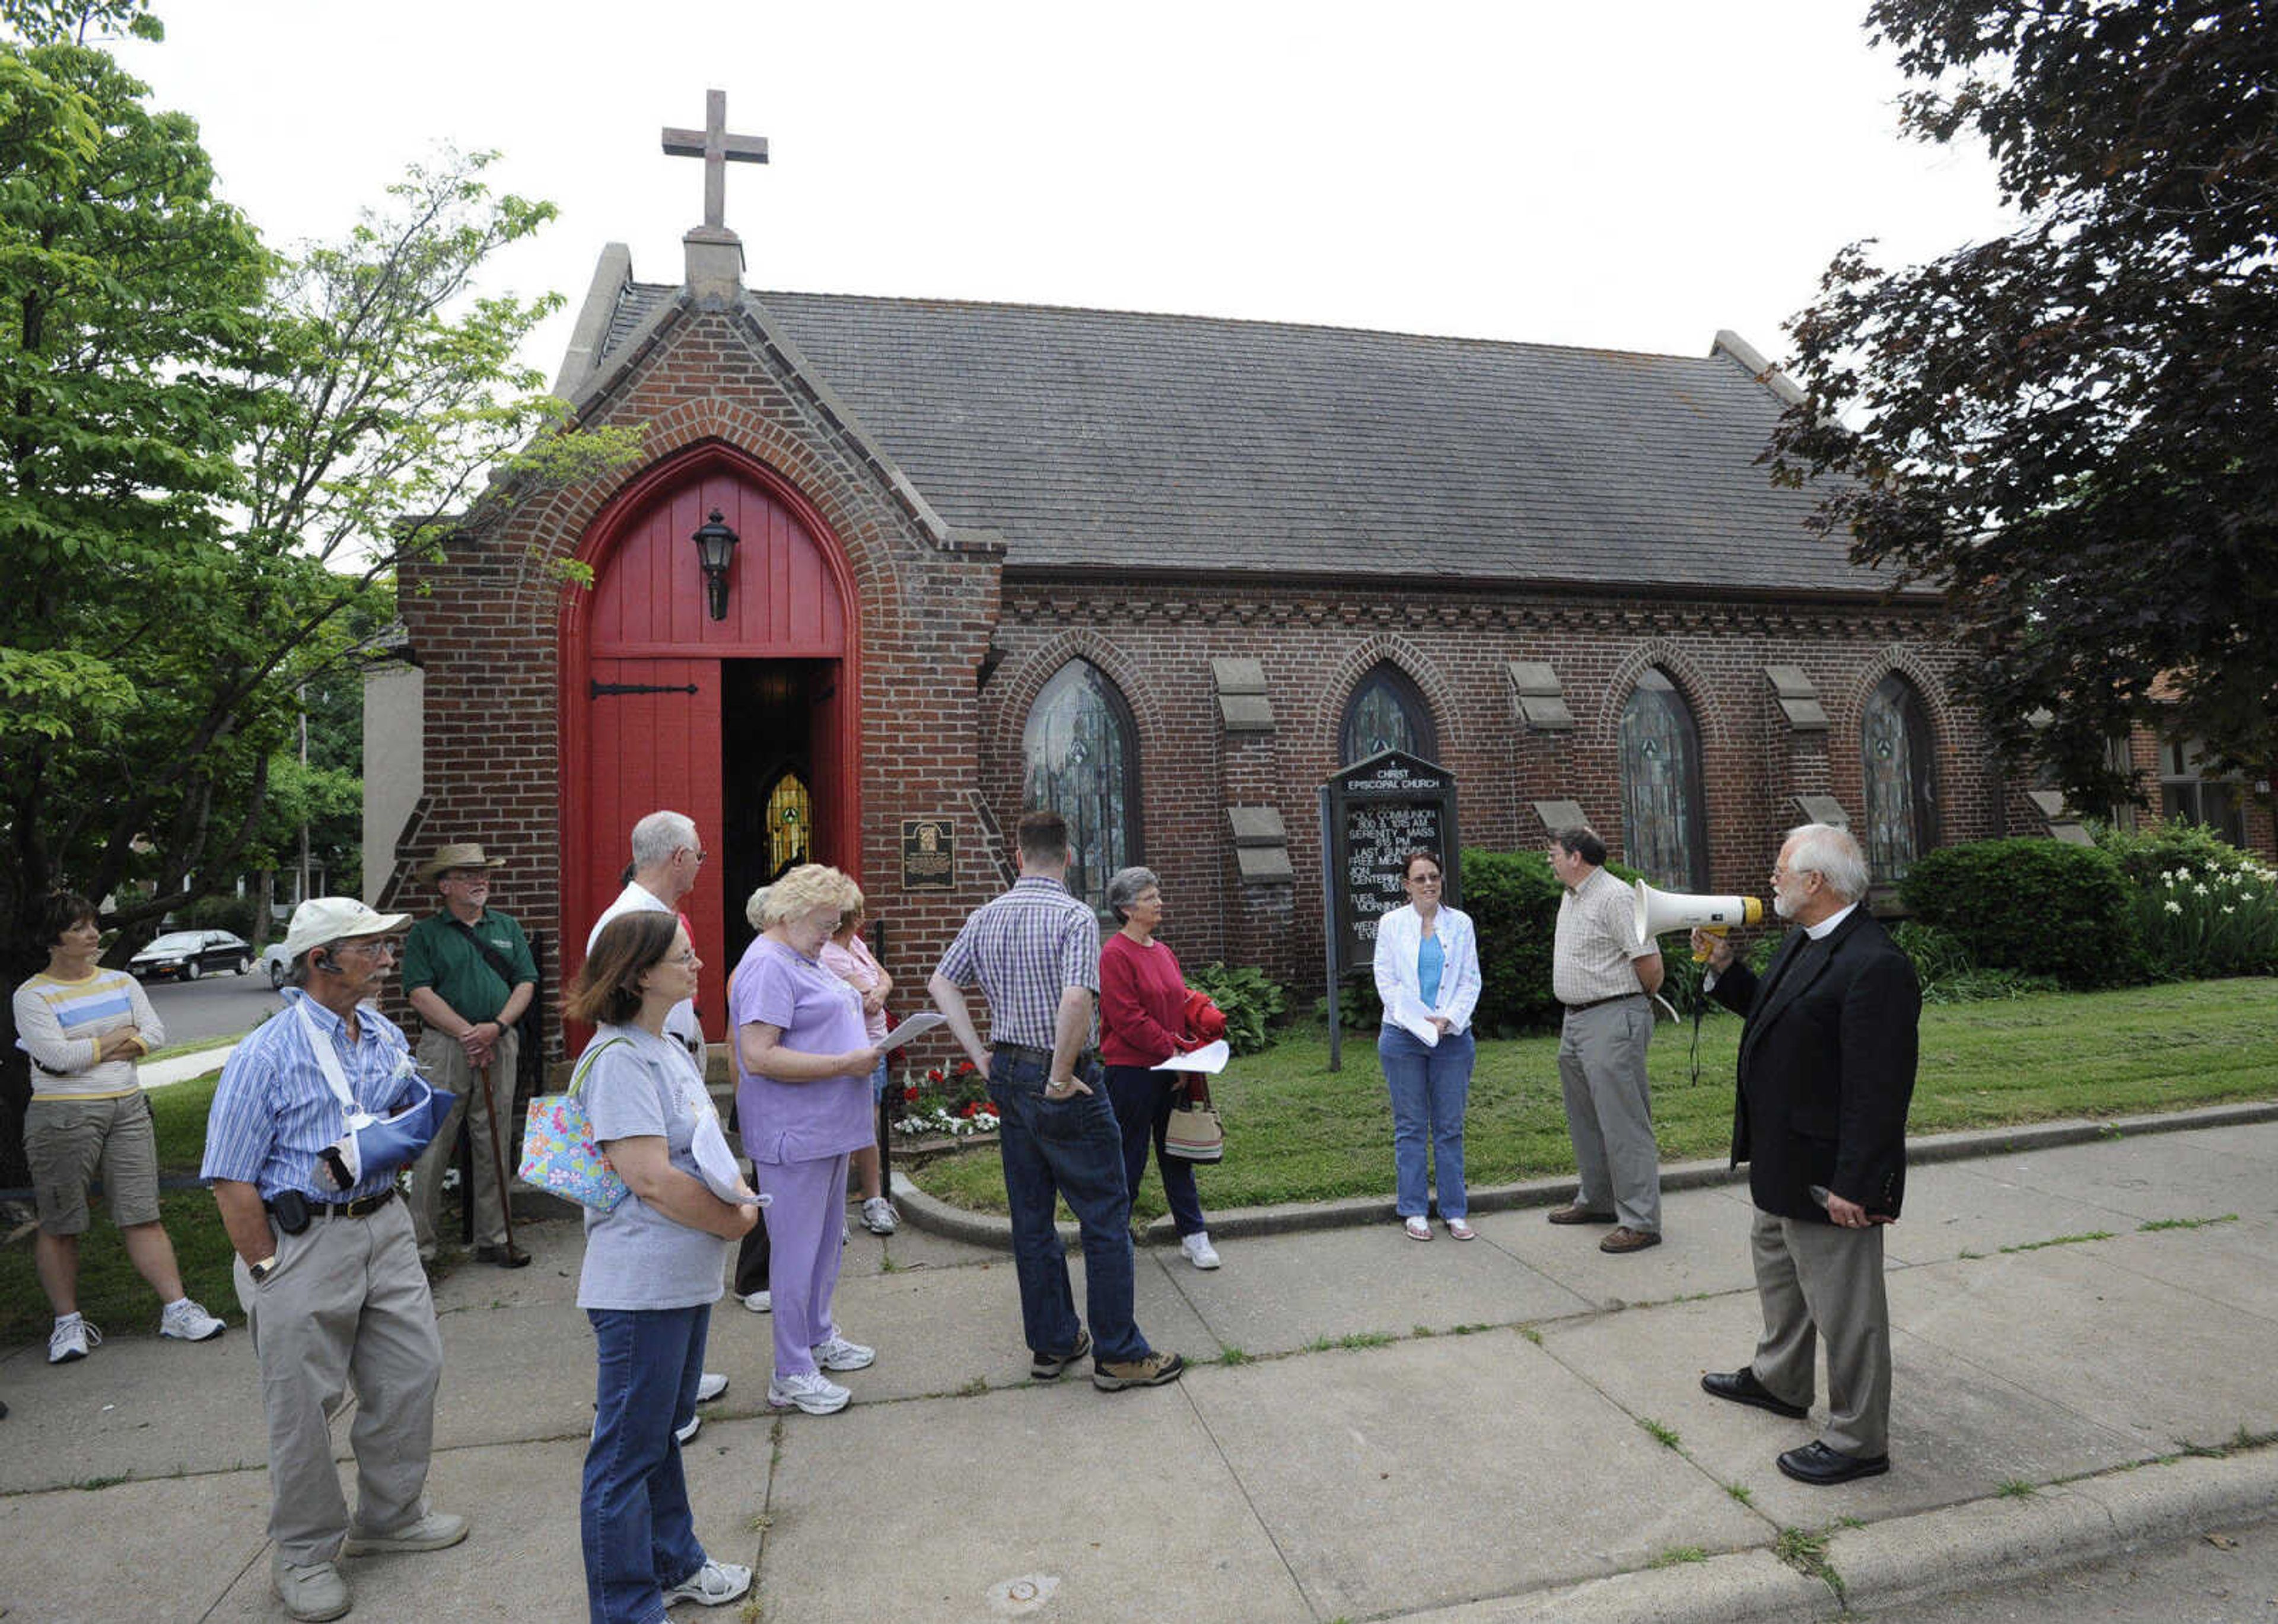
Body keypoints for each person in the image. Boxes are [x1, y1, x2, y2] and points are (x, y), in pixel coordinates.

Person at [200, 897, 468, 1622]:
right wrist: (265, 1270)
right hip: (301, 1243)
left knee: (413, 1371)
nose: (386, 959)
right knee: (302, 1407)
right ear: (321, 960)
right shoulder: (267, 1051)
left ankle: (391, 1514)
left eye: (386, 946)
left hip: (383, 1227)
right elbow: (230, 1177)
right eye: (371, 947)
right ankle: (305, 1553)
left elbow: (390, 1111)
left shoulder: (376, 1028)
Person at [928, 810, 1185, 1391]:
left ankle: (1053, 1340)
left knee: (1032, 1217)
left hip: (1010, 1068)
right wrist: (1063, 1074)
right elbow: (1076, 998)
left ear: (1020, 856)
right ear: (1068, 857)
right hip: (1060, 1075)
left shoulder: (985, 916)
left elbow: (942, 981)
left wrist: (979, 1053)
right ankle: (1118, 1352)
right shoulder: (1073, 915)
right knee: (1104, 1213)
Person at [1695, 823, 1920, 1486]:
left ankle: (1858, 1439)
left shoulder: (1874, 963)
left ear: (1815, 882)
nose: (1773, 880)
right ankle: (1780, 1379)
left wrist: (1857, 1182)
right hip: (1782, 1156)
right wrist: (1725, 969)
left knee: (1846, 1309)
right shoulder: (1808, 940)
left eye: (1781, 869)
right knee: (1780, 1275)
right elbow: (1775, 1012)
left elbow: (1880, 1090)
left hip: (1830, 1174)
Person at [567, 911, 757, 1622]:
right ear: (642, 972)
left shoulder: (663, 1045)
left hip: (679, 1276)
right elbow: (649, 1176)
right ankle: (625, 1607)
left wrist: (736, 1194)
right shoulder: (619, 1059)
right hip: (640, 1285)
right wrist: (734, 1218)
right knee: (623, 1455)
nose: (699, 964)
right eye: (685, 956)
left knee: (660, 1432)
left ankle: (675, 1563)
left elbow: (693, 1150)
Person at [12, 891, 225, 1364]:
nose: (93, 935)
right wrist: (114, 1038)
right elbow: (56, 1059)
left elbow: (153, 1037)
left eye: (93, 925)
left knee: (142, 1213)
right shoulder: (32, 995)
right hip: (62, 1117)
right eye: (79, 928)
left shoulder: (123, 981)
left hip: (127, 1108)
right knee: (62, 1220)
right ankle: (67, 1325)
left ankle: (177, 1310)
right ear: (54, 938)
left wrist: (88, 1045)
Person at [587, 810, 729, 1439]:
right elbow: (650, 1177)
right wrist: (733, 1216)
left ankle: (672, 1377)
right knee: (632, 1440)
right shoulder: (628, 923)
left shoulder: (648, 914)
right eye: (698, 853)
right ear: (677, 855)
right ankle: (654, 1387)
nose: (703, 864)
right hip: (649, 1116)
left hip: (666, 1081)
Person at [730, 866, 882, 1416]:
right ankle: (790, 1371)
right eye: (824, 924)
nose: (830, 935)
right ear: (791, 913)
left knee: (822, 1244)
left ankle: (817, 1336)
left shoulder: (800, 955)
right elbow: (759, 1055)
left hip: (827, 1125)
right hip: (795, 1129)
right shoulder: (768, 964)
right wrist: (849, 1061)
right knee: (794, 1253)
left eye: (836, 924)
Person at [402, 842, 538, 1268]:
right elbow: (418, 993)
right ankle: (419, 1249)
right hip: (445, 1046)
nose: (480, 881)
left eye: (483, 873)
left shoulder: (507, 927)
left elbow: (526, 982)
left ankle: (493, 1239)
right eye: (467, 875)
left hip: (499, 1040)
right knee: (433, 1143)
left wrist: (495, 1028)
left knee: (494, 1139)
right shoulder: (426, 934)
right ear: (444, 886)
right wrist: (466, 1033)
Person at [1547, 826, 1668, 1254]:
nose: (1552, 860)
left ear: (1576, 857)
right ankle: (1597, 1200)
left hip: (1613, 1016)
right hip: (1576, 1021)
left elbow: (1650, 965)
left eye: (1556, 853)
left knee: (1624, 1122)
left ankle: (1640, 1221)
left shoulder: (1616, 897)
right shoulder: (1573, 896)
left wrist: (1630, 1011)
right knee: (1587, 1118)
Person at [1097, 865, 1218, 1269]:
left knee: (1178, 1153)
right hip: (1131, 1072)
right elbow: (1127, 1019)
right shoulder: (1114, 954)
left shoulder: (1163, 951)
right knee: (1128, 1158)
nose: (1160, 902)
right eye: (1151, 898)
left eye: (1157, 895)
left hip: (1173, 1066)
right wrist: (1175, 1051)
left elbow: (1177, 1003)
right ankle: (1115, 1241)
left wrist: (1191, 1042)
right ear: (1128, 908)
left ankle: (1194, 1235)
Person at [1373, 850, 1482, 1241]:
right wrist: (1418, 1021)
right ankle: (1414, 1209)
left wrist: (1449, 1019)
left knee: (1450, 1128)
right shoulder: (1390, 925)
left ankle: (1455, 1210)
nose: (1428, 884)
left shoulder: (1461, 924)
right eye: (1419, 879)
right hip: (1403, 1038)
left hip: (1451, 1039)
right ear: (1406, 886)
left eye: (1434, 877)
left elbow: (1471, 980)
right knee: (1411, 1127)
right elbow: (1386, 980)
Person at [818, 885, 898, 1236]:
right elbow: (868, 997)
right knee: (845, 1128)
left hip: (876, 1047)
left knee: (868, 1126)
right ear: (855, 917)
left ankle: (873, 1199)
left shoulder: (857, 946)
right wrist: (877, 991)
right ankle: (834, 1209)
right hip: (851, 1049)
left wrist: (879, 990)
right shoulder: (831, 954)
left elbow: (883, 981)